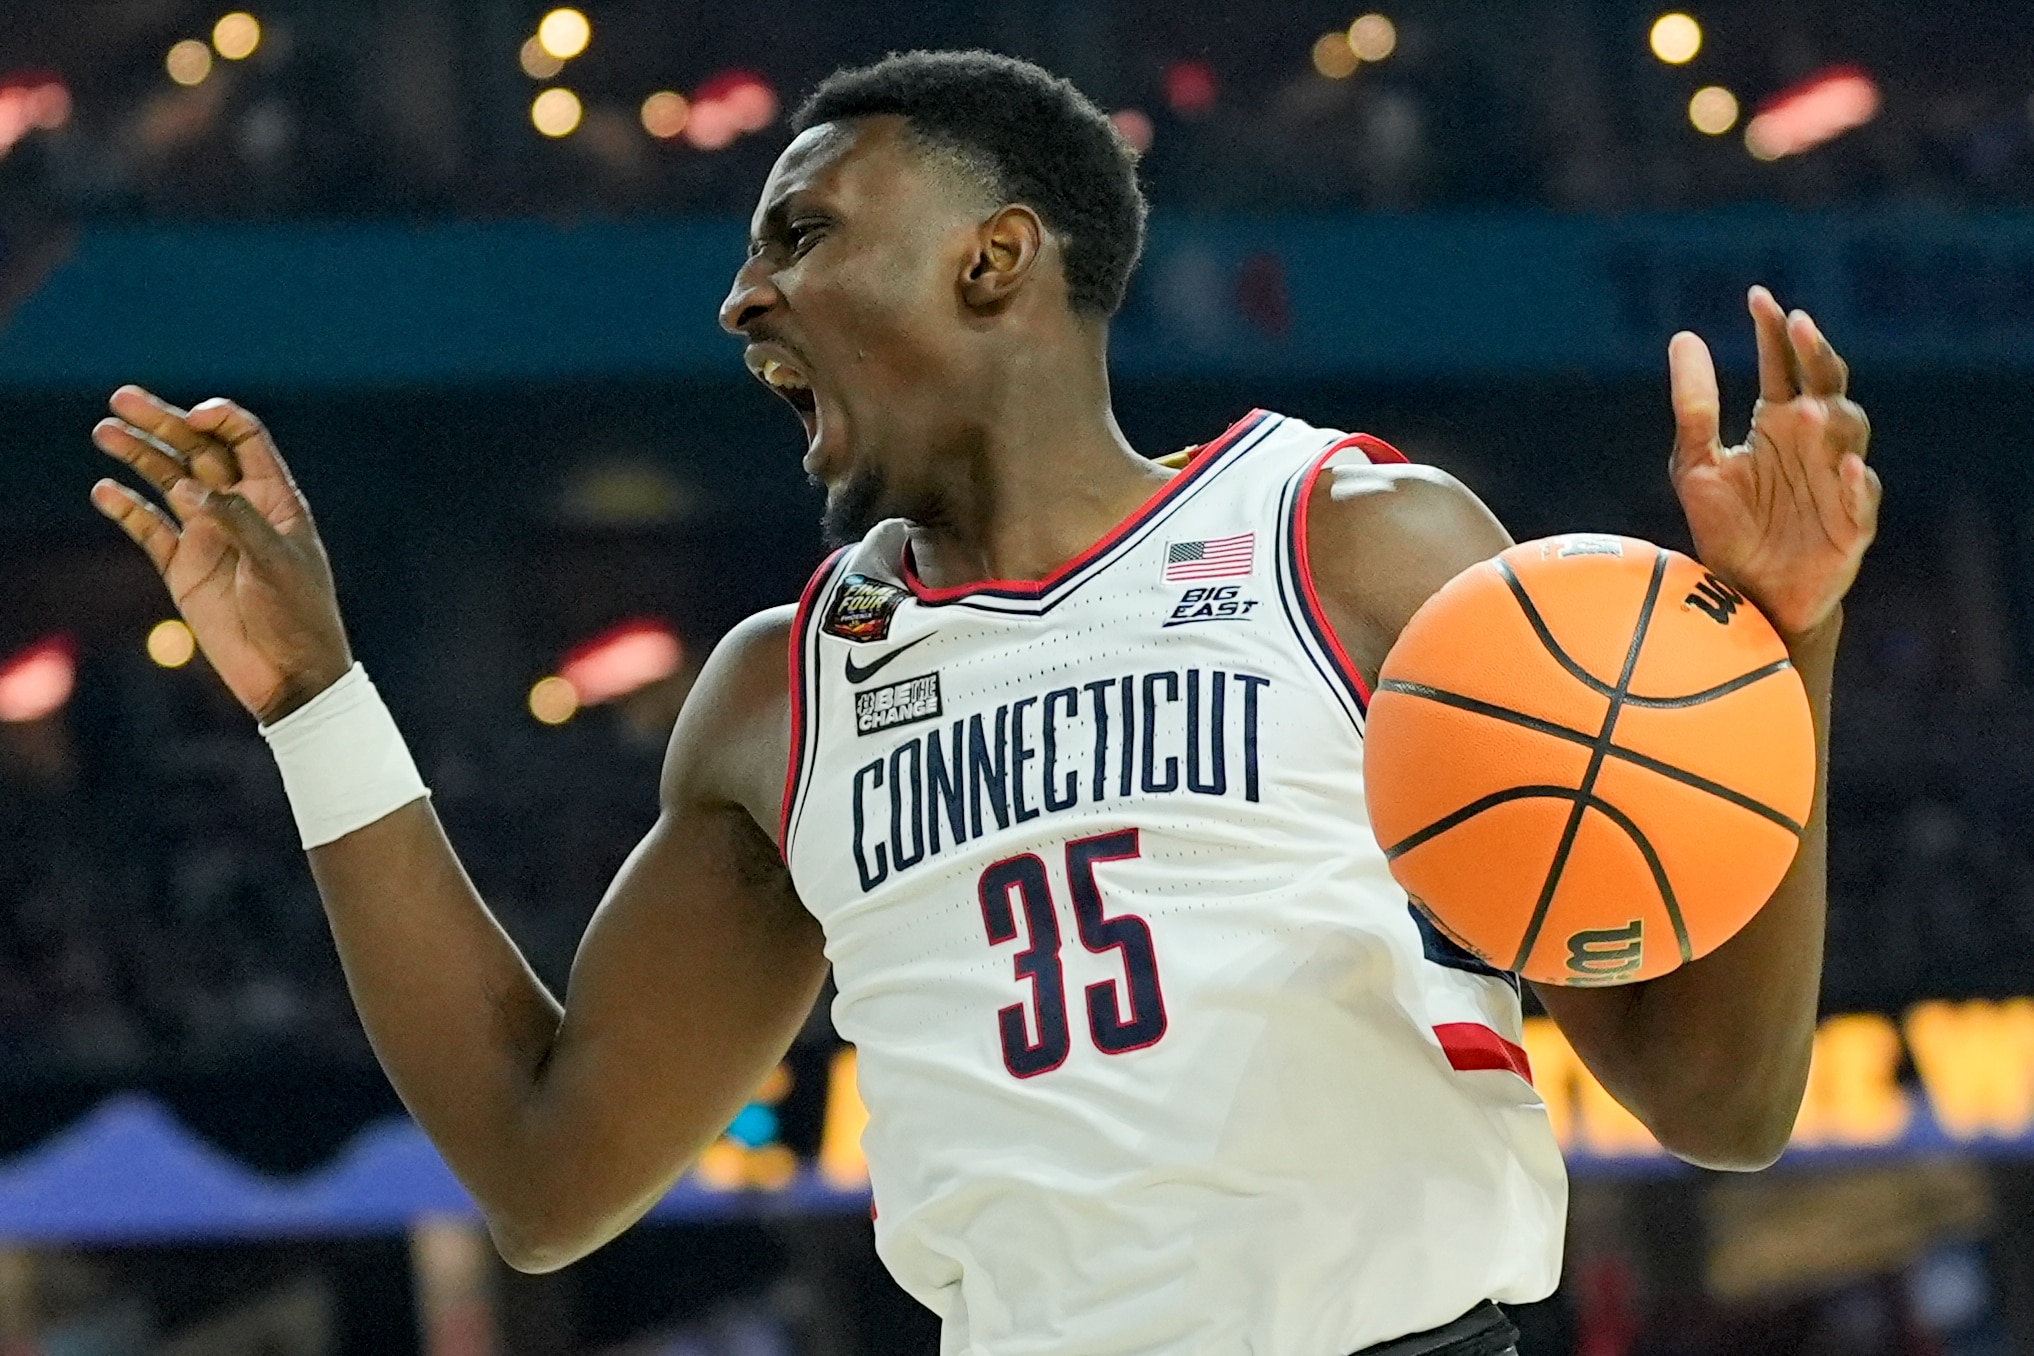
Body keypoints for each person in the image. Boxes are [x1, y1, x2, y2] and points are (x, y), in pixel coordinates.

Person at [87, 50, 1878, 1356]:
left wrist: (1778, 641)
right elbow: (550, 1175)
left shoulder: (1346, 544)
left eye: (799, 231)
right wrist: (314, 700)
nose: (741, 295)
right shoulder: (782, 693)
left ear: (995, 258)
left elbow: (1719, 1098)